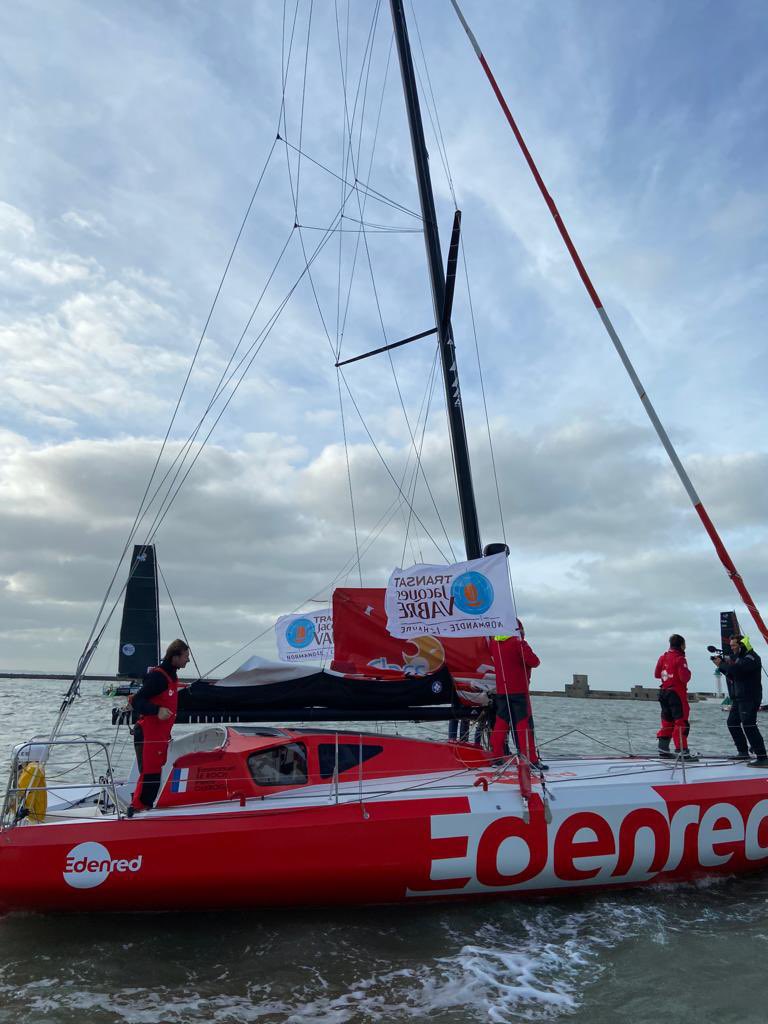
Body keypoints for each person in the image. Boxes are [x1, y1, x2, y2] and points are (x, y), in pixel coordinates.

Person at [128, 639, 191, 815]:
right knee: (150, 773)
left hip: (159, 734)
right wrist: (156, 710)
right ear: (176, 656)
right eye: (186, 656)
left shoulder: (172, 676)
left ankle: (146, 807)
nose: (188, 660)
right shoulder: (159, 676)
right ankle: (137, 809)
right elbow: (137, 701)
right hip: (148, 732)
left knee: (155, 771)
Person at [488, 618, 545, 769]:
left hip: (502, 690)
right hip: (519, 690)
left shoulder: (494, 643)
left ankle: (495, 758)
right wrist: (522, 641)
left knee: (501, 723)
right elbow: (534, 662)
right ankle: (530, 760)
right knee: (523, 725)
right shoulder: (518, 642)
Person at [714, 635, 768, 767]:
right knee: (732, 723)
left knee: (749, 725)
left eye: (734, 646)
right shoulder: (740, 658)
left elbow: (737, 671)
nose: (731, 648)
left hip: (749, 697)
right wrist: (722, 666)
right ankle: (743, 752)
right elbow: (732, 674)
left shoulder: (751, 658)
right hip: (740, 697)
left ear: (741, 646)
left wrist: (722, 664)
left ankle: (762, 757)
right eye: (731, 645)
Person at [655, 634, 697, 761]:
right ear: (681, 645)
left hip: (664, 693)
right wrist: (688, 672)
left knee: (667, 722)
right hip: (677, 694)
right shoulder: (680, 659)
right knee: (681, 722)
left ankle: (663, 751)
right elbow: (685, 677)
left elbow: (657, 674)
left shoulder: (663, 657)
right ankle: (682, 753)